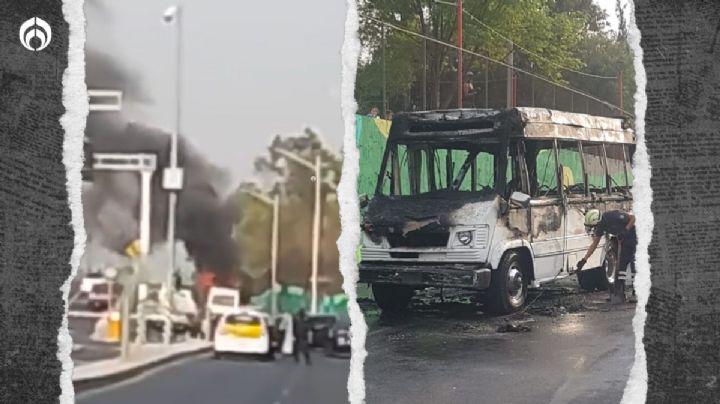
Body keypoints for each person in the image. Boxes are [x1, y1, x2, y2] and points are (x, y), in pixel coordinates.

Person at [577, 209, 637, 303]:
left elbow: (633, 218)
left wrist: (626, 230)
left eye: (594, 227)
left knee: (634, 264)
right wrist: (584, 259)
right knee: (621, 267)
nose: (594, 229)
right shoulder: (600, 227)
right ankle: (619, 294)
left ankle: (636, 293)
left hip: (635, 236)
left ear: (598, 222)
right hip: (624, 240)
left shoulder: (614, 216)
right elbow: (594, 244)